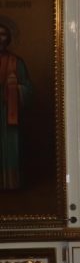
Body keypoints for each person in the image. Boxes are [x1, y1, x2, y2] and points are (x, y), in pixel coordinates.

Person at [0, 22, 31, 190]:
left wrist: (15, 88)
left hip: (8, 111)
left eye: (3, 34)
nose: (0, 38)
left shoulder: (16, 62)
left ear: (9, 38)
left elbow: (28, 87)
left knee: (10, 147)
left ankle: (10, 184)